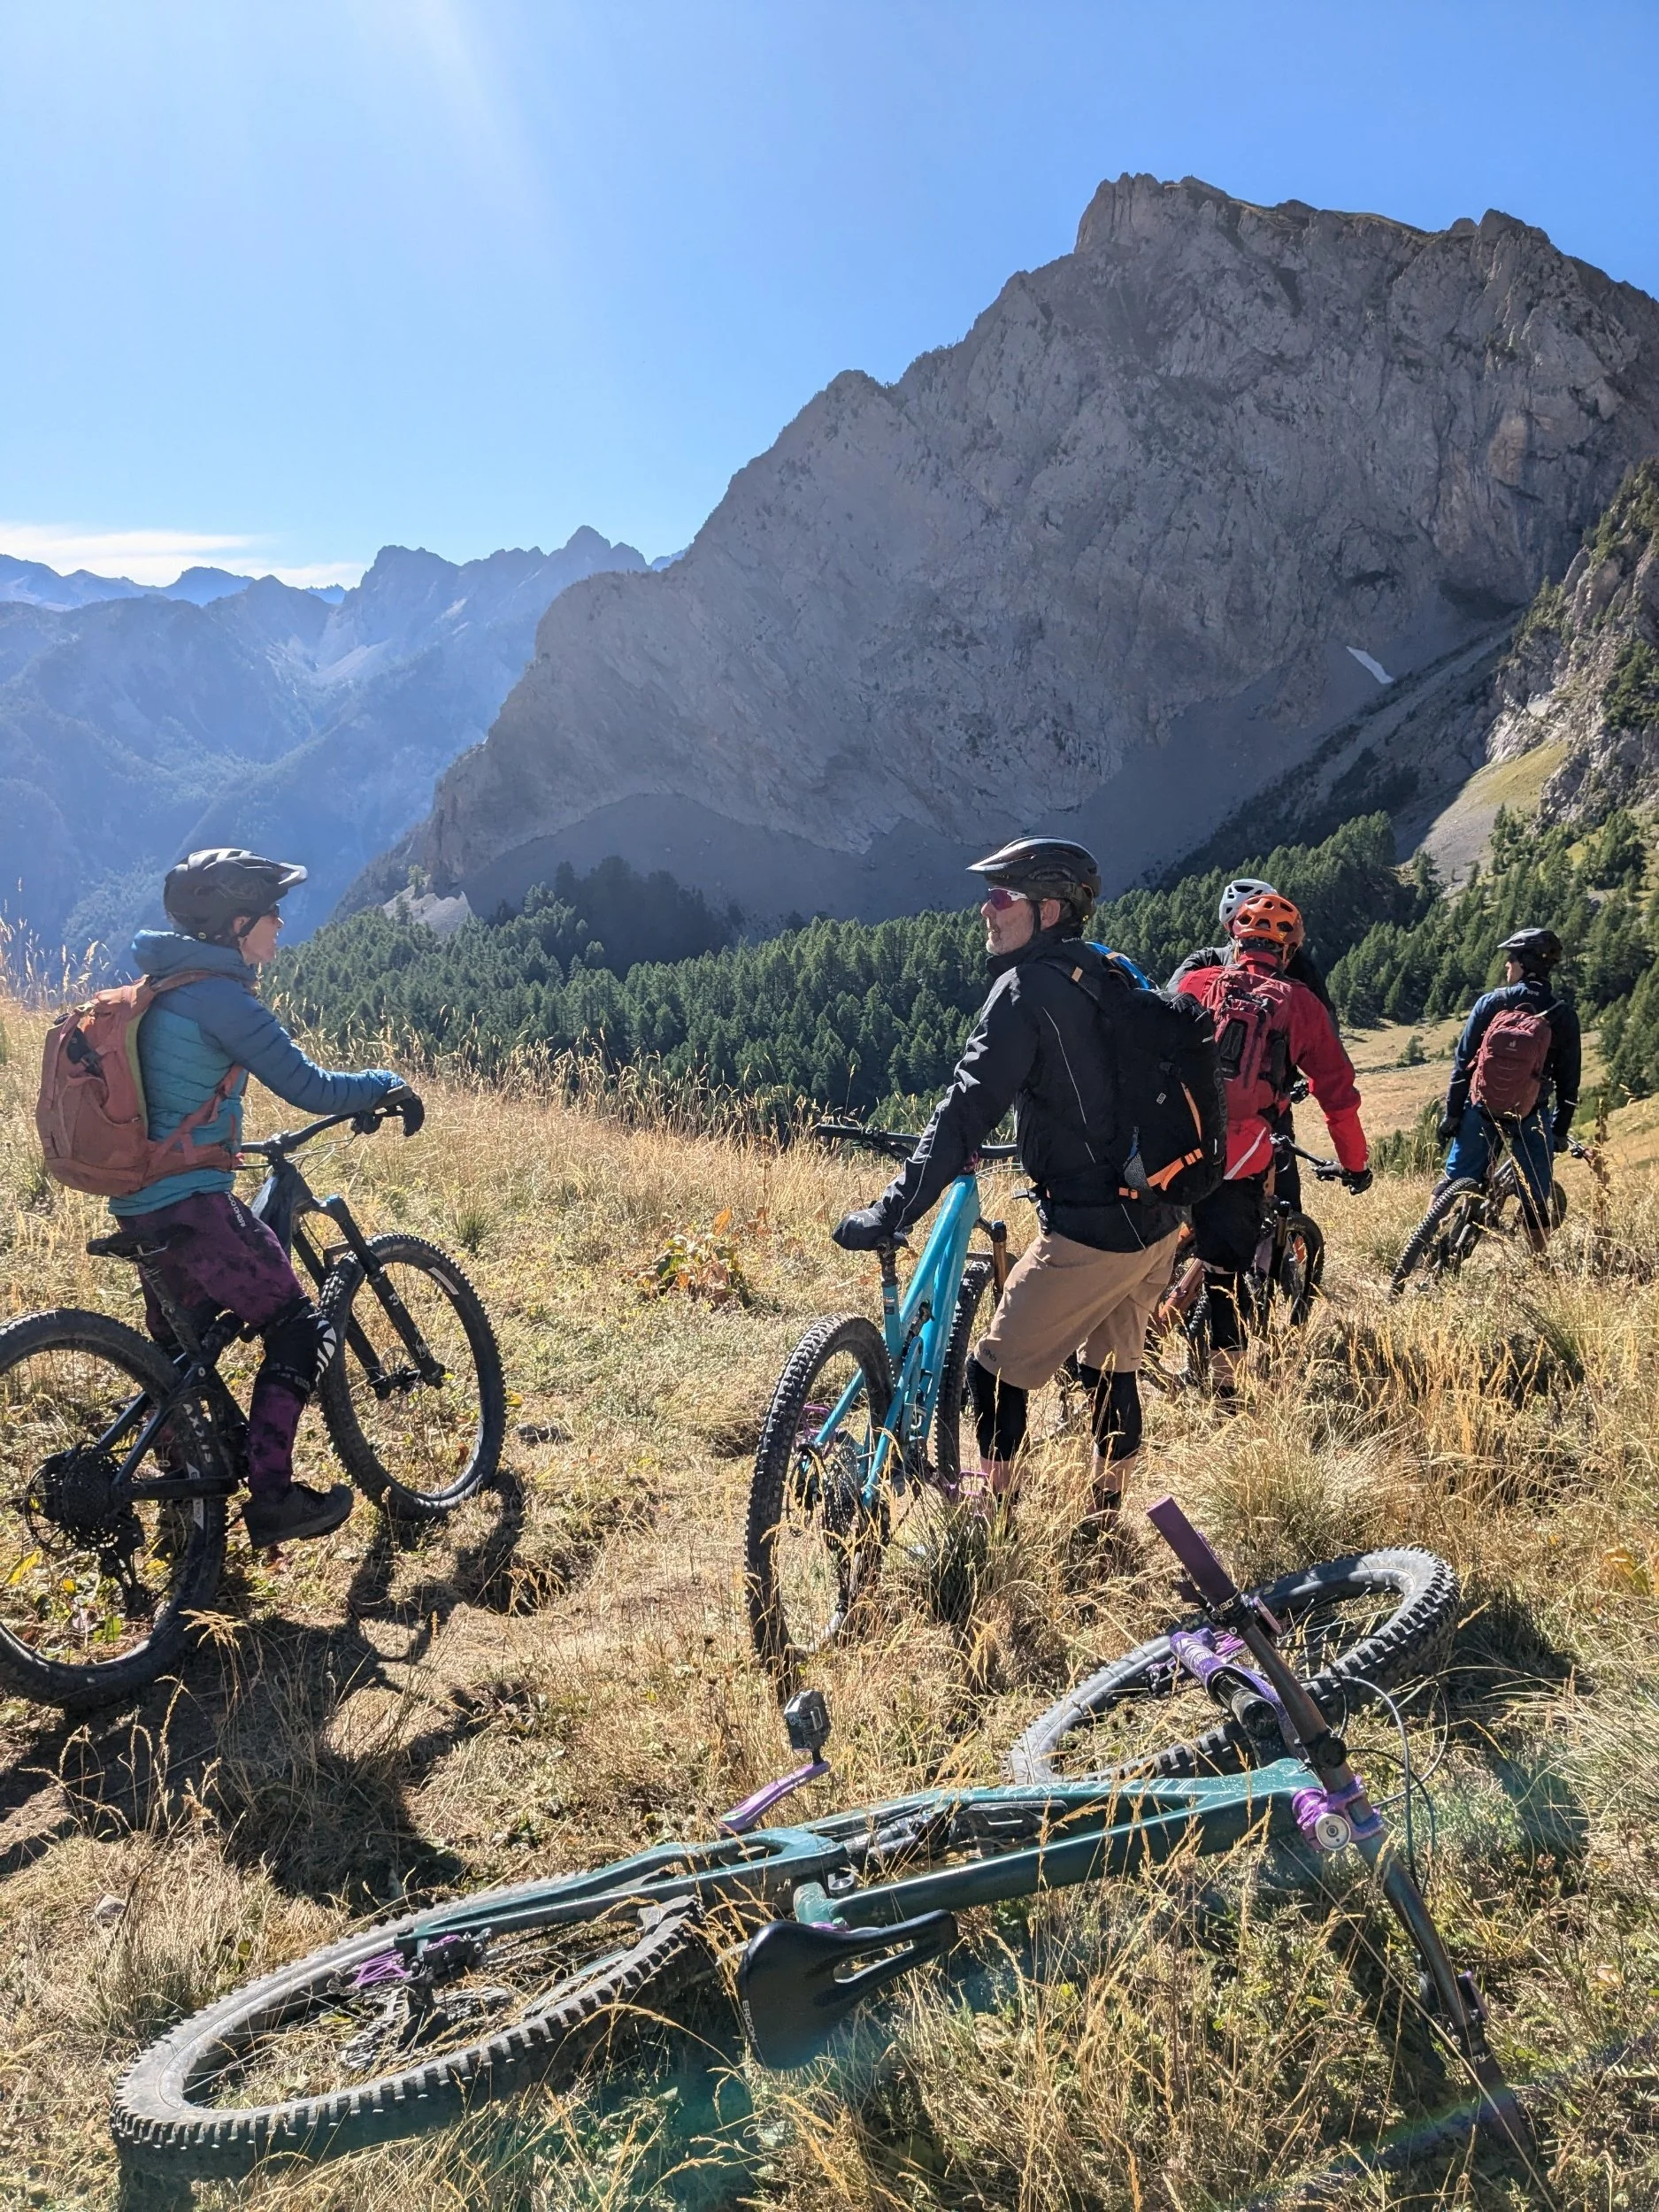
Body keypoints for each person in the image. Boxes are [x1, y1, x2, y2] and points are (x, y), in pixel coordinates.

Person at [832, 837, 1182, 1523]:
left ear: (1047, 909)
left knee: (992, 1374)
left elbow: (965, 1109)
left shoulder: (1023, 991)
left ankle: (994, 1527)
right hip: (1156, 1216)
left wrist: (894, 1208)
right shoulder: (1111, 970)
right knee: (1113, 1369)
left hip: (1091, 1229)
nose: (985, 911)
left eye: (1000, 897)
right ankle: (1103, 1519)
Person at [112, 849, 419, 1547]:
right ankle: (274, 1499)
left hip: (142, 1205)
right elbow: (307, 1085)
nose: (281, 924)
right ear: (238, 922)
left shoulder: (161, 986)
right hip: (192, 1204)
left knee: (181, 1369)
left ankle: (186, 1529)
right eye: (271, 913)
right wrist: (384, 1083)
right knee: (300, 1329)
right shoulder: (223, 999)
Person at [1174, 891, 1370, 1395]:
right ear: (1287, 951)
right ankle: (1226, 1394)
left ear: (1236, 939)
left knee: (1146, 1252)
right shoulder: (1298, 1003)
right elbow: (1338, 1094)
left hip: (1170, 1147)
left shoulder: (1196, 983)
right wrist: (1355, 1164)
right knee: (1225, 1276)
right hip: (1241, 1154)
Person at [1168, 877, 1333, 1212]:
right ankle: (1280, 1260)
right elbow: (1325, 1032)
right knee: (1282, 1198)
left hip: (1195, 1101)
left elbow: (1169, 1009)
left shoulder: (1203, 964)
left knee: (1187, 1189)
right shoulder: (1297, 968)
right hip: (1266, 1104)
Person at [1435, 927, 1580, 1233]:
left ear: (1525, 963)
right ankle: (1540, 1264)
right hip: (1530, 1113)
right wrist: (1559, 1130)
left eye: (1512, 958)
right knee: (1536, 1198)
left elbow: (1463, 1064)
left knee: (1451, 1183)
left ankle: (1426, 1243)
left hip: (1481, 1106)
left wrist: (1453, 1113)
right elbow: (1569, 1084)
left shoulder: (1491, 1003)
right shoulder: (1563, 1015)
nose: (1507, 965)